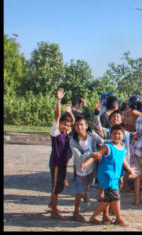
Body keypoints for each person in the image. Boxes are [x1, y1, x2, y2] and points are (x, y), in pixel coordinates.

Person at [84, 125, 137, 226]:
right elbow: (99, 154)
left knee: (108, 199)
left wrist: (129, 169)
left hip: (115, 176)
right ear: (110, 135)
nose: (116, 136)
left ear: (122, 135)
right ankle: (118, 219)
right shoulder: (107, 146)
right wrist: (87, 162)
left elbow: (123, 160)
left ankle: (94, 217)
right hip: (107, 175)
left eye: (119, 134)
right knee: (115, 197)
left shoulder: (123, 147)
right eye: (114, 134)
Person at [69, 116, 105, 222]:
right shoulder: (73, 141)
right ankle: (76, 211)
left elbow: (101, 140)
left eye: (81, 124)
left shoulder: (91, 135)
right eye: (77, 125)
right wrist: (92, 153)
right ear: (74, 127)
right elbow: (79, 157)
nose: (79, 127)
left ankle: (86, 195)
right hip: (81, 168)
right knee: (78, 189)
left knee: (89, 183)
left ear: (86, 126)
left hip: (92, 166)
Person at [48, 88, 74, 220]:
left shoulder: (66, 135)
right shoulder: (56, 133)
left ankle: (52, 204)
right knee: (56, 187)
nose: (66, 127)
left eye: (68, 126)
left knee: (59, 186)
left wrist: (69, 112)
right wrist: (59, 100)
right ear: (59, 125)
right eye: (64, 124)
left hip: (62, 163)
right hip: (57, 163)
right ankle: (53, 210)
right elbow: (58, 116)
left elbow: (73, 124)